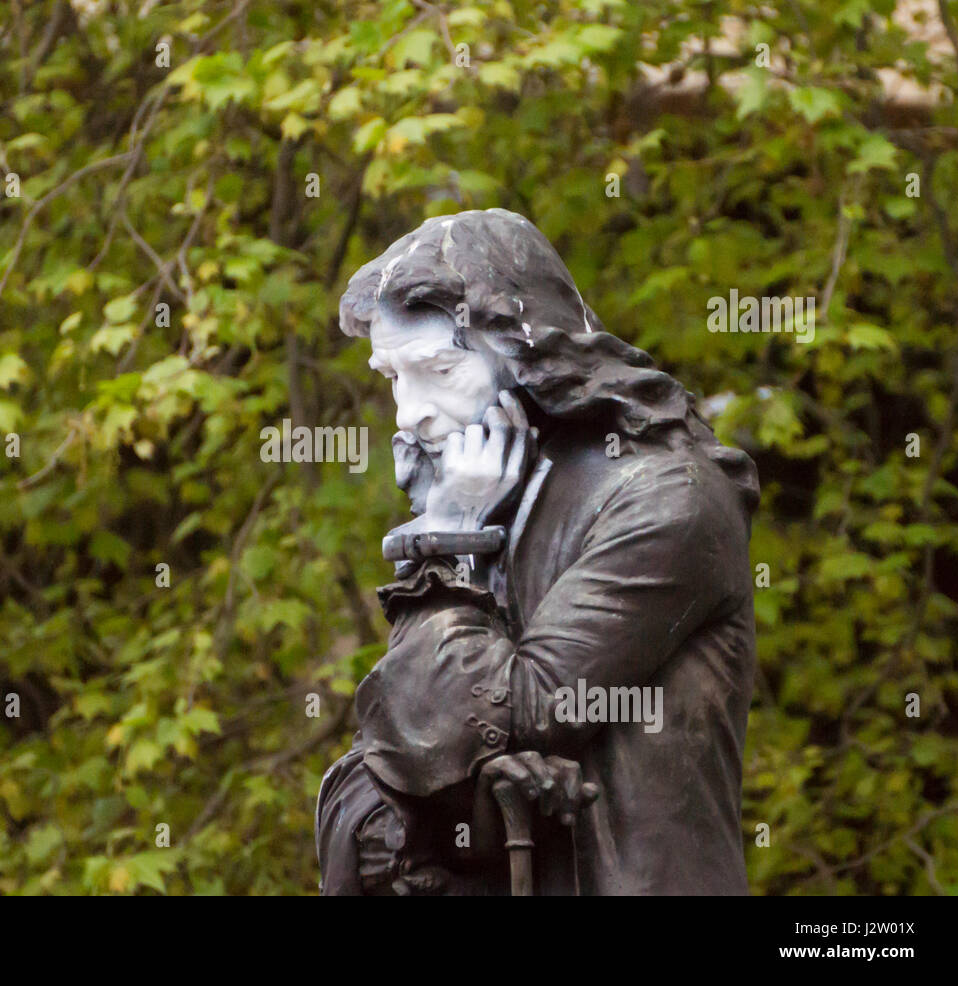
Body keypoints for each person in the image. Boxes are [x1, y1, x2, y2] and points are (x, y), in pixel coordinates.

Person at [316, 209, 759, 895]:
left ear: (526, 354)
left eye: (439, 369)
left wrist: (448, 539)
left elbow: (515, 717)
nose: (410, 414)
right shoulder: (485, 496)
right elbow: (397, 757)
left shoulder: (665, 497)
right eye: (393, 378)